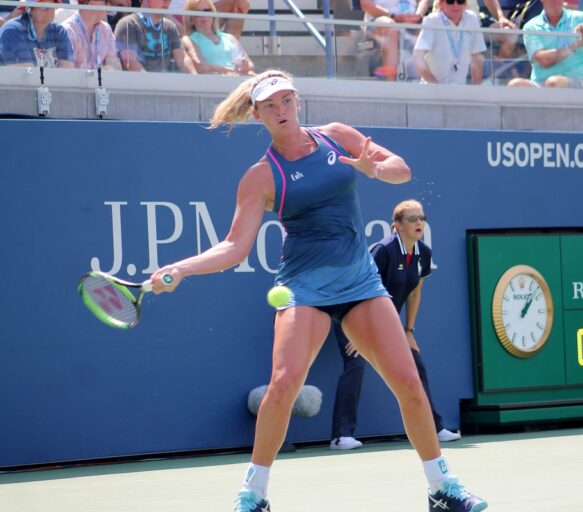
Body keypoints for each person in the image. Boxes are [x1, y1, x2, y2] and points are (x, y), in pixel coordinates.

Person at [148, 70, 488, 512]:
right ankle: (254, 495)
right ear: (258, 114)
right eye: (270, 105)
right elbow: (234, 247)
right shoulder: (260, 177)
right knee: (285, 383)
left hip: (360, 282)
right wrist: (181, 268)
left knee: (407, 380)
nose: (281, 110)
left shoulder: (337, 137)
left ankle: (441, 488)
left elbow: (402, 171)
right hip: (303, 288)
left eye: (287, 100)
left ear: (298, 101)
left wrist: (374, 169)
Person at [330, 200, 461, 450]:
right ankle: (340, 436)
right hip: (350, 312)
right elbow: (360, 290)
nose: (419, 222)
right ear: (397, 226)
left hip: (386, 322)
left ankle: (434, 428)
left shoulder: (423, 252)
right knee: (355, 364)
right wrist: (359, 334)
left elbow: (415, 291)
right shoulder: (383, 250)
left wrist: (408, 330)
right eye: (412, 219)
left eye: (422, 217)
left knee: (416, 364)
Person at [507, 0, 583, 88]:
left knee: (554, 83)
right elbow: (543, 60)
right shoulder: (531, 26)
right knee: (515, 85)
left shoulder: (579, 17)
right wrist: (576, 45)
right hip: (541, 84)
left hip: (579, 82)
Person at [412, 0, 487, 85]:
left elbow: (477, 58)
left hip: (459, 91)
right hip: (431, 91)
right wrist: (435, 86)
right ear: (441, 4)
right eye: (450, 1)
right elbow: (417, 56)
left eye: (460, 1)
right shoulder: (432, 20)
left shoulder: (472, 18)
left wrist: (476, 91)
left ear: (465, 4)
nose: (455, 5)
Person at [114, 0, 196, 72]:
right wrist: (153, 85)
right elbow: (130, 63)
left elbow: (183, 58)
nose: (166, 2)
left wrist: (194, 78)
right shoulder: (128, 24)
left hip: (165, 84)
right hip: (136, 86)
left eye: (169, 0)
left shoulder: (170, 27)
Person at [181, 0, 255, 75]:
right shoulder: (189, 40)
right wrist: (228, 70)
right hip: (214, 81)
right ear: (190, 20)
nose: (203, 16)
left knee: (252, 74)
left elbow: (250, 65)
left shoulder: (230, 38)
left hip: (235, 78)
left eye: (207, 11)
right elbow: (201, 67)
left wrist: (245, 66)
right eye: (197, 13)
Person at [360, 0, 424, 80]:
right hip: (379, 19)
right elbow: (365, 4)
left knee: (431, 27)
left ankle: (425, 84)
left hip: (412, 22)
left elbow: (423, 1)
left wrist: (418, 15)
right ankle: (391, 85)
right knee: (390, 26)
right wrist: (392, 16)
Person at [0, 0, 73, 68]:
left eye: (52, 5)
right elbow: (26, 76)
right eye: (43, 7)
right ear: (29, 9)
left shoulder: (59, 31)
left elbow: (67, 71)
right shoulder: (12, 31)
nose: (50, 10)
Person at [61, 0, 122, 69]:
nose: (110, 6)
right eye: (107, 2)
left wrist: (109, 69)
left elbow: (114, 65)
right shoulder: (67, 31)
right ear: (92, 3)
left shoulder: (106, 30)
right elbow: (67, 70)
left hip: (103, 79)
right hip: (77, 79)